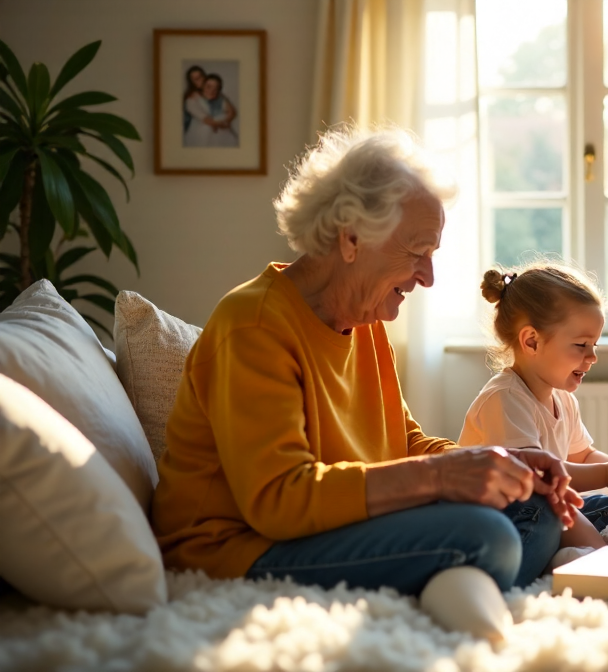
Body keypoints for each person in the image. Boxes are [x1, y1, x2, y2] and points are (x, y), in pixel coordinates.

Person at [152, 127, 580, 596]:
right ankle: (464, 583)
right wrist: (441, 478)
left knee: (533, 510)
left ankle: (458, 586)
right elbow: (278, 500)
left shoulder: (365, 323)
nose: (428, 277)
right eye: (418, 253)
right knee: (491, 536)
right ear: (351, 238)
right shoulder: (253, 325)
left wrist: (499, 461)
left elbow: (404, 443)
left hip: (331, 529)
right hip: (240, 550)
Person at [460, 263, 608, 561]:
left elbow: (582, 456)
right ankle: (601, 560)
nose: (593, 356)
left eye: (595, 344)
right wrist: (606, 473)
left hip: (545, 506)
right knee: (552, 505)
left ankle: (569, 553)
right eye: (581, 345)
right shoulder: (504, 399)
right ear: (532, 341)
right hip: (504, 519)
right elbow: (539, 479)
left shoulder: (562, 397)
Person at [184, 74, 239, 148]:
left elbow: (232, 112)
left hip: (220, 136)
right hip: (200, 135)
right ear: (203, 86)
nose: (212, 91)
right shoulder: (192, 100)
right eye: (208, 87)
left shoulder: (220, 99)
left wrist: (226, 121)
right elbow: (205, 119)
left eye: (216, 88)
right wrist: (220, 124)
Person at [182, 65, 206, 133]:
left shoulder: (213, 92)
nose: (199, 80)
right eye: (195, 79)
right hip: (198, 130)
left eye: (200, 77)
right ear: (191, 82)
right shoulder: (191, 97)